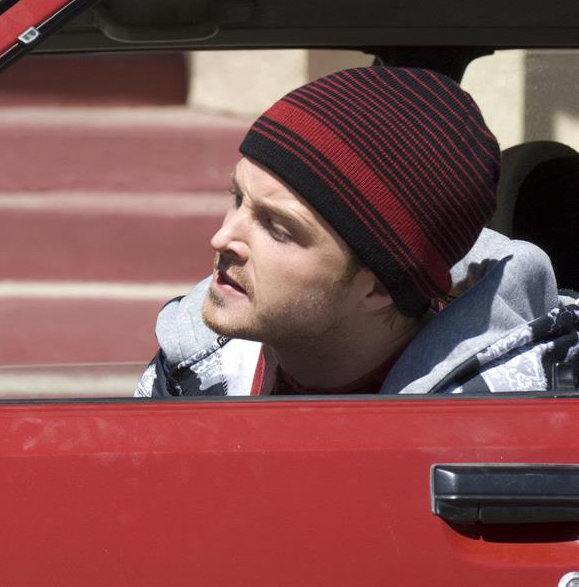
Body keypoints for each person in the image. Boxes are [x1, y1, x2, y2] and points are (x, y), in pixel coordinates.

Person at [136, 66, 578, 397]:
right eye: (237, 198)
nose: (222, 239)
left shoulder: (501, 429)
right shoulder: (192, 373)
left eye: (277, 227)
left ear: (379, 286)